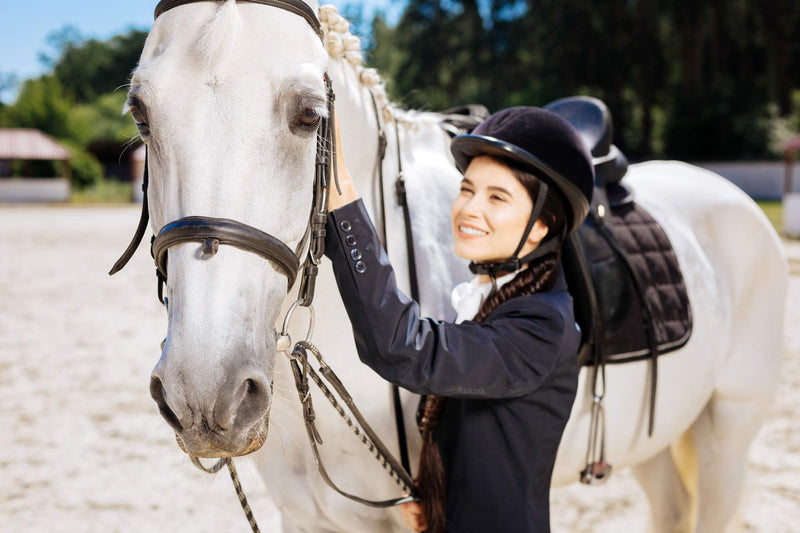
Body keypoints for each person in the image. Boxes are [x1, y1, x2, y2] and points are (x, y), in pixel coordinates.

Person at [324, 107, 594, 533]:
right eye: (467, 190)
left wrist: (344, 209)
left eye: (496, 198)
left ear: (541, 226)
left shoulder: (543, 327)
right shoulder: (495, 297)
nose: (469, 209)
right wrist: (436, 501)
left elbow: (404, 348)